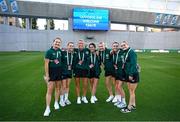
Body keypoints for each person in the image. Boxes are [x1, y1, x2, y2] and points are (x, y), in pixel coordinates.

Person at [43, 37, 62, 116]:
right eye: (56, 42)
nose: (57, 43)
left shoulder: (60, 51)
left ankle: (56, 102)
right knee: (49, 90)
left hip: (59, 72)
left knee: (58, 88)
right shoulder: (49, 51)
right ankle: (47, 108)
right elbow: (46, 63)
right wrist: (47, 75)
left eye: (59, 42)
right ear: (53, 42)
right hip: (52, 73)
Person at [120, 41, 140, 113]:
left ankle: (129, 107)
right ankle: (133, 105)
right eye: (122, 46)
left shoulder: (131, 52)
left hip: (133, 74)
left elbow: (133, 64)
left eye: (124, 45)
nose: (123, 46)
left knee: (131, 91)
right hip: (127, 74)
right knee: (130, 90)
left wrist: (131, 74)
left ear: (127, 44)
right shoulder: (125, 52)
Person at [73, 40, 90, 104]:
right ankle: (78, 97)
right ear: (78, 44)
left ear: (84, 44)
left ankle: (84, 96)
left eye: (82, 43)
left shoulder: (87, 50)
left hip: (85, 69)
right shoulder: (75, 51)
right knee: (77, 84)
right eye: (79, 43)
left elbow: (95, 51)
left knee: (85, 84)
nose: (81, 44)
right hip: (77, 69)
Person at [113, 42, 127, 109]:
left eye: (116, 46)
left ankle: (124, 102)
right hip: (117, 72)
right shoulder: (114, 53)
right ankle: (119, 100)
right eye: (114, 46)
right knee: (117, 86)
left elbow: (127, 59)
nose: (115, 47)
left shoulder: (122, 52)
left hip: (122, 72)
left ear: (118, 47)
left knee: (119, 87)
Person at [60, 42, 74, 106]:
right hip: (63, 72)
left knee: (68, 86)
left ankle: (66, 99)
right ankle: (61, 100)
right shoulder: (63, 53)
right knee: (63, 86)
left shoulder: (73, 54)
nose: (71, 47)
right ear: (67, 46)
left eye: (72, 46)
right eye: (70, 46)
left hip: (69, 72)